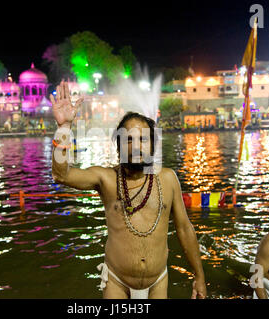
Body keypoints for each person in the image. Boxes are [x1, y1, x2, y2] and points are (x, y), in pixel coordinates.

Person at [50, 81, 206, 299]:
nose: (136, 146)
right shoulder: (106, 179)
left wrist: (199, 275)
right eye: (128, 140)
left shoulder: (168, 179)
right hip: (117, 281)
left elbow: (184, 228)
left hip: (157, 282)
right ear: (118, 147)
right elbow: (61, 174)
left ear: (153, 145)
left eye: (143, 139)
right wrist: (64, 127)